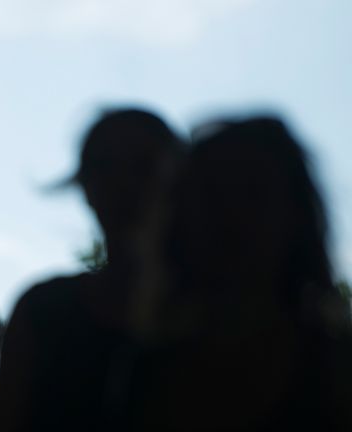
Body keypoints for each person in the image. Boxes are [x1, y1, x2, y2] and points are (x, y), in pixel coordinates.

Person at [136, 117, 352, 431]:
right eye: (212, 194)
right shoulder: (144, 375)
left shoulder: (340, 371)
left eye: (253, 192)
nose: (231, 215)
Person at [0, 109, 184, 432]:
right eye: (106, 168)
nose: (124, 185)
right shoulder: (42, 311)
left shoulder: (43, 310)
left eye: (143, 167)